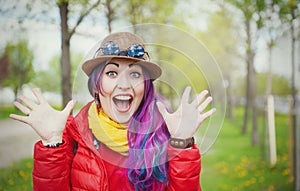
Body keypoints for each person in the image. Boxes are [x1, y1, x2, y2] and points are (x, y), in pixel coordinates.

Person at [10, 32, 216, 191]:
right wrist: (52, 143)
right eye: (111, 73)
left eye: (135, 74)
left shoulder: (165, 134)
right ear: (97, 86)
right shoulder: (73, 135)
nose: (124, 84)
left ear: (145, 88)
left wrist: (181, 143)